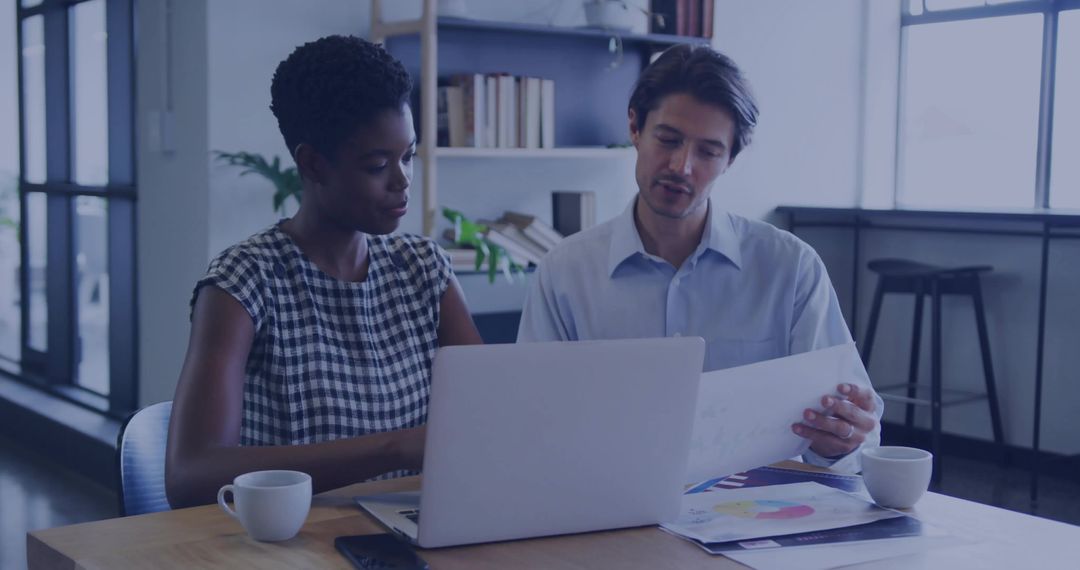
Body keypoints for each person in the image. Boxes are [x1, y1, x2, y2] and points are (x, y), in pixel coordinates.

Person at [517, 44, 881, 472]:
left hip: (757, 515)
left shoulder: (790, 268)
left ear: (731, 159)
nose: (681, 166)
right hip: (607, 504)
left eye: (708, 152)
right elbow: (531, 421)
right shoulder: (566, 272)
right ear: (635, 126)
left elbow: (858, 437)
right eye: (668, 140)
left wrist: (840, 440)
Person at [166, 36, 482, 508]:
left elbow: (491, 418)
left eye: (408, 156)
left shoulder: (424, 270)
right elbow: (191, 476)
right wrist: (392, 447)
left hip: (420, 536)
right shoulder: (245, 282)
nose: (402, 180)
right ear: (313, 163)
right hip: (291, 545)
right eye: (377, 165)